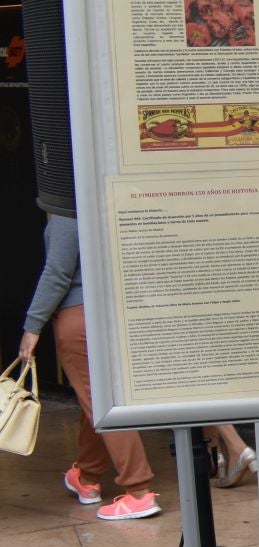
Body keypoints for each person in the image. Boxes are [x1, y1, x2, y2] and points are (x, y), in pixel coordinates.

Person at [19, 213, 161, 521]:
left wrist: (33, 326)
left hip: (78, 318)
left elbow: (57, 272)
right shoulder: (112, 197)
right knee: (95, 399)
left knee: (101, 403)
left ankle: (138, 491)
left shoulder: (66, 209)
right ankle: (86, 476)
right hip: (115, 310)